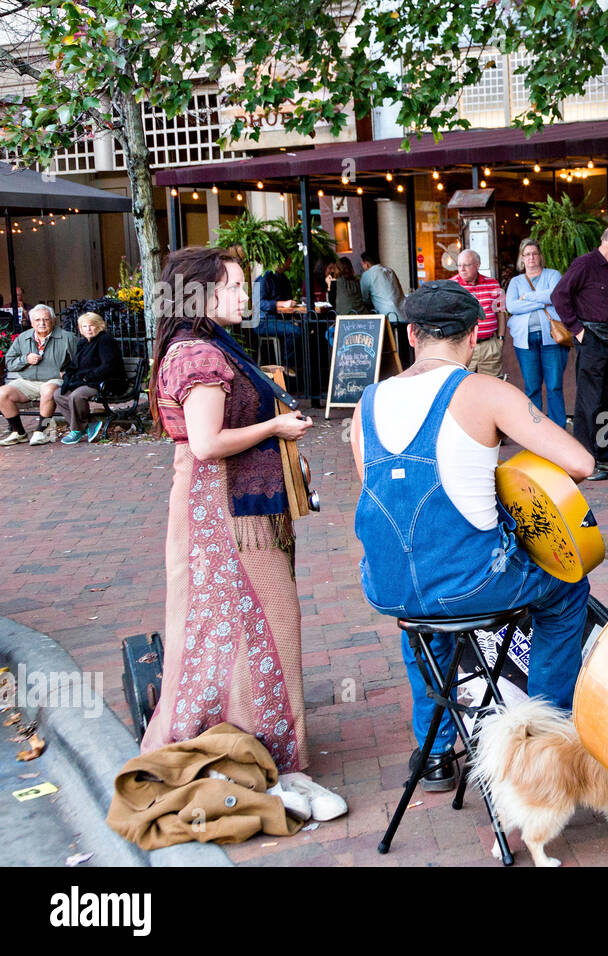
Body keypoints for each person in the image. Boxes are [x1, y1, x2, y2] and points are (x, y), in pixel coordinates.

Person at [350, 280, 594, 791]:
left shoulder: (366, 402)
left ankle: (435, 754)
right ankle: (539, 741)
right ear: (473, 336)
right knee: (567, 593)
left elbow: (378, 490)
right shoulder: (485, 391)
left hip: (387, 585)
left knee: (421, 616)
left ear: (412, 334)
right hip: (473, 582)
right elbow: (581, 463)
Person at [141, 246, 334, 811]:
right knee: (264, 628)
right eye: (235, 286)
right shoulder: (199, 354)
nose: (246, 296)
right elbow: (206, 444)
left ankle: (248, 747)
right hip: (222, 513)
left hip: (222, 509)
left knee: (230, 629)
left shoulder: (204, 346)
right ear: (201, 294)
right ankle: (265, 756)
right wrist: (275, 425)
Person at [552, 224, 608, 480]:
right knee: (590, 400)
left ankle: (604, 456)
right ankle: (585, 461)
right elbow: (559, 295)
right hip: (591, 338)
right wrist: (576, 329)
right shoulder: (585, 263)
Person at [505, 238, 567, 427]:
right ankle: (536, 431)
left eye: (534, 253)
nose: (531, 257)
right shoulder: (515, 282)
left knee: (554, 386)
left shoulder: (552, 275)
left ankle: (558, 430)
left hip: (552, 339)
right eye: (527, 254)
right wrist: (542, 301)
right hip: (525, 342)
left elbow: (555, 296)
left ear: (540, 256)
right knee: (532, 388)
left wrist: (528, 297)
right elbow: (512, 306)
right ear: (521, 259)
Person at [1, 304, 75, 446]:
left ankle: (42, 431)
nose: (41, 323)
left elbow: (81, 362)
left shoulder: (67, 338)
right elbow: (9, 362)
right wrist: (25, 359)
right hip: (28, 382)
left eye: (46, 319)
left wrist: (66, 374)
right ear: (31, 321)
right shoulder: (23, 338)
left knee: (48, 389)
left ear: (53, 320)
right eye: (37, 320)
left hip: (54, 381)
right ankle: (19, 432)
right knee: (1, 393)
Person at [54, 312, 126, 444]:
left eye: (91, 325)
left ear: (99, 326)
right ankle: (88, 425)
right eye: (84, 326)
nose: (88, 329)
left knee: (77, 396)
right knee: (58, 394)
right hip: (85, 381)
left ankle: (76, 430)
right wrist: (68, 375)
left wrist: (88, 378)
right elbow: (75, 365)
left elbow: (109, 366)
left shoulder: (105, 340)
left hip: (105, 381)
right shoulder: (83, 343)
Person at [453, 249, 504, 379]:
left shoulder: (493, 283)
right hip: (463, 346)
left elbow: (500, 312)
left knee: (492, 387)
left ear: (477, 265)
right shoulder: (451, 286)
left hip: (490, 346)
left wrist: (501, 339)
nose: (462, 269)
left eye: (466, 265)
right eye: (459, 265)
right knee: (464, 387)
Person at [254, 256, 304, 371]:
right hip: (263, 321)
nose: (290, 262)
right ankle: (288, 366)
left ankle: (301, 367)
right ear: (280, 261)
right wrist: (282, 303)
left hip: (280, 319)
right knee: (295, 331)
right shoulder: (264, 278)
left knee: (306, 328)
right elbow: (258, 303)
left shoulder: (283, 278)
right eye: (288, 260)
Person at [359, 250, 406, 327]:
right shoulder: (389, 270)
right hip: (403, 313)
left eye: (362, 264)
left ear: (366, 264)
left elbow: (364, 298)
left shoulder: (367, 274)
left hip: (388, 317)